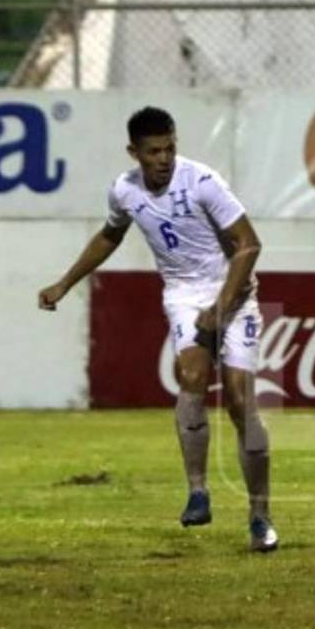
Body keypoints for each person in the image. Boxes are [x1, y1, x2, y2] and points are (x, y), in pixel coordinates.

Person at [37, 106, 278, 553]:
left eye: (169, 148)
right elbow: (111, 235)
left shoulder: (203, 182)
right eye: (154, 152)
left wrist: (222, 306)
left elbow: (250, 244)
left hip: (235, 293)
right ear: (135, 152)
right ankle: (199, 492)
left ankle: (260, 514)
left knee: (241, 400)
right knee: (191, 376)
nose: (164, 159)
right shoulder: (124, 191)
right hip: (185, 295)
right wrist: (65, 282)